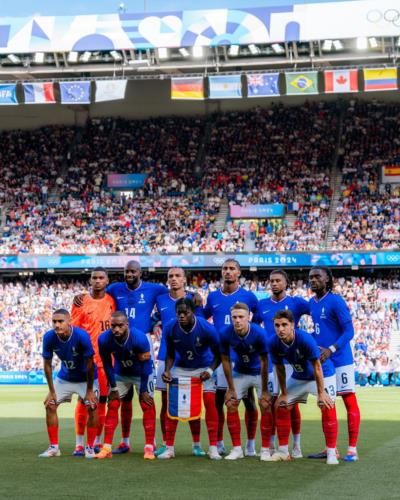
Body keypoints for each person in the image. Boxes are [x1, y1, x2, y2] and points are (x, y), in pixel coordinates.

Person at [102, 260, 167, 454]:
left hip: (142, 340)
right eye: (126, 271)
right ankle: (125, 441)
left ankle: (151, 442)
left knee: (146, 397)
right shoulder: (115, 288)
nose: (129, 274)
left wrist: (156, 320)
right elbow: (100, 296)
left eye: (132, 271)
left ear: (140, 273)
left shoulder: (154, 289)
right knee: (125, 397)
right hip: (120, 341)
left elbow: (171, 299)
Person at [267, 310, 339, 465]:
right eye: (277, 325)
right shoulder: (273, 342)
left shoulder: (305, 339)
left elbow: (317, 366)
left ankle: (332, 451)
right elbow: (279, 368)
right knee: (281, 404)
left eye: (284, 325)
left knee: (327, 404)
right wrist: (284, 393)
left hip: (322, 374)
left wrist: (321, 393)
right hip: (299, 377)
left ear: (292, 325)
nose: (280, 329)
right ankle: (284, 451)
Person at [203, 259, 259, 457]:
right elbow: (203, 317)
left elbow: (257, 322)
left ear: (239, 272)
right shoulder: (212, 297)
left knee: (249, 401)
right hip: (221, 356)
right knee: (220, 400)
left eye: (232, 269)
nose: (228, 272)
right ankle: (219, 442)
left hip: (243, 357)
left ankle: (250, 444)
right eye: (225, 269)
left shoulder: (249, 297)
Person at [254, 269, 310, 457]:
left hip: (293, 361)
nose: (274, 283)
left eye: (278, 280)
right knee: (269, 404)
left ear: (286, 283)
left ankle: (296, 445)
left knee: (290, 405)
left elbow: (317, 314)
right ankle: (270, 445)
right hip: (272, 361)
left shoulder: (297, 303)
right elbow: (253, 325)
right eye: (271, 281)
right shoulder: (262, 305)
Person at [308, 267, 361, 462]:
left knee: (348, 399)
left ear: (328, 279)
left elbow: (349, 332)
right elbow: (320, 331)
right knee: (326, 403)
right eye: (310, 277)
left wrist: (331, 348)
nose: (313, 280)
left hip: (341, 358)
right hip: (324, 360)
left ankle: (352, 449)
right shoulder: (312, 304)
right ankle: (330, 448)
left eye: (317, 277)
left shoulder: (336, 301)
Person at [160, 298, 221, 460]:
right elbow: (171, 354)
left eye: (185, 312)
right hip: (181, 368)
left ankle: (213, 447)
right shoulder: (170, 328)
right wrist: (167, 371)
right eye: (178, 313)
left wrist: (210, 370)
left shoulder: (207, 328)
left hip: (204, 367)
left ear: (192, 312)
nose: (181, 316)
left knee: (209, 401)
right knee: (173, 406)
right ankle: (169, 448)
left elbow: (219, 355)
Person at [154, 267, 205, 457]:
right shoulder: (160, 298)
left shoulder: (195, 299)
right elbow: (152, 317)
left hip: (191, 360)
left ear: (185, 279)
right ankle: (166, 444)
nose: (174, 279)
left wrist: (197, 294)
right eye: (170, 276)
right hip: (166, 357)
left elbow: (202, 324)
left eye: (177, 276)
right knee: (166, 403)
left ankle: (197, 444)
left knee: (195, 401)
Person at [94, 311, 156, 460]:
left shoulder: (139, 337)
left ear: (127, 325)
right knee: (113, 404)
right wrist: (114, 388)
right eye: (113, 326)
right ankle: (107, 447)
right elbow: (107, 364)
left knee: (147, 404)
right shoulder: (104, 339)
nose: (116, 329)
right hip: (121, 373)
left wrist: (143, 391)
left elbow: (146, 364)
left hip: (142, 372)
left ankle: (149, 447)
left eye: (120, 326)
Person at [38, 309, 99, 459]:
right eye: (54, 322)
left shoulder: (81, 336)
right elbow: (47, 364)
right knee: (50, 404)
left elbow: (90, 364)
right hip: (65, 377)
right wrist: (51, 391)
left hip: (86, 379)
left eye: (60, 321)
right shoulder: (49, 337)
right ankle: (54, 447)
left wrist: (90, 390)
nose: (57, 325)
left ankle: (90, 447)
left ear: (69, 321)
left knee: (92, 407)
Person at [71, 267, 115, 456]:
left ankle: (96, 441)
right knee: (84, 401)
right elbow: (74, 331)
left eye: (101, 278)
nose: (97, 281)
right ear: (90, 280)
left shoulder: (112, 301)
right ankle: (79, 443)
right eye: (94, 278)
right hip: (86, 361)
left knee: (102, 402)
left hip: (106, 362)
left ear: (107, 281)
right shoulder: (81, 302)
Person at [220, 303, 273, 461]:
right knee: (230, 403)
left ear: (249, 317)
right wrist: (230, 388)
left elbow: (264, 361)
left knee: (265, 404)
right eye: (234, 317)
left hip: (260, 372)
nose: (237, 320)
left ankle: (264, 449)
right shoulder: (225, 333)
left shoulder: (259, 333)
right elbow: (225, 359)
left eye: (241, 317)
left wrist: (264, 390)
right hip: (241, 371)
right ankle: (237, 449)